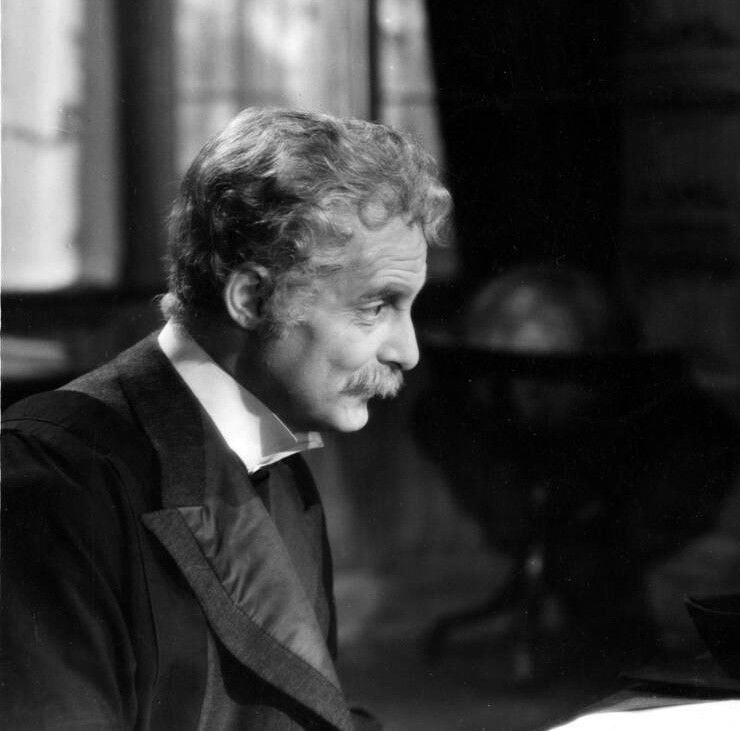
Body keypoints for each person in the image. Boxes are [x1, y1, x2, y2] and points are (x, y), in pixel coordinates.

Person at [1, 108, 450, 729]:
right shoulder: (51, 482)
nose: (408, 351)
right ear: (252, 298)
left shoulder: (276, 460)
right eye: (376, 307)